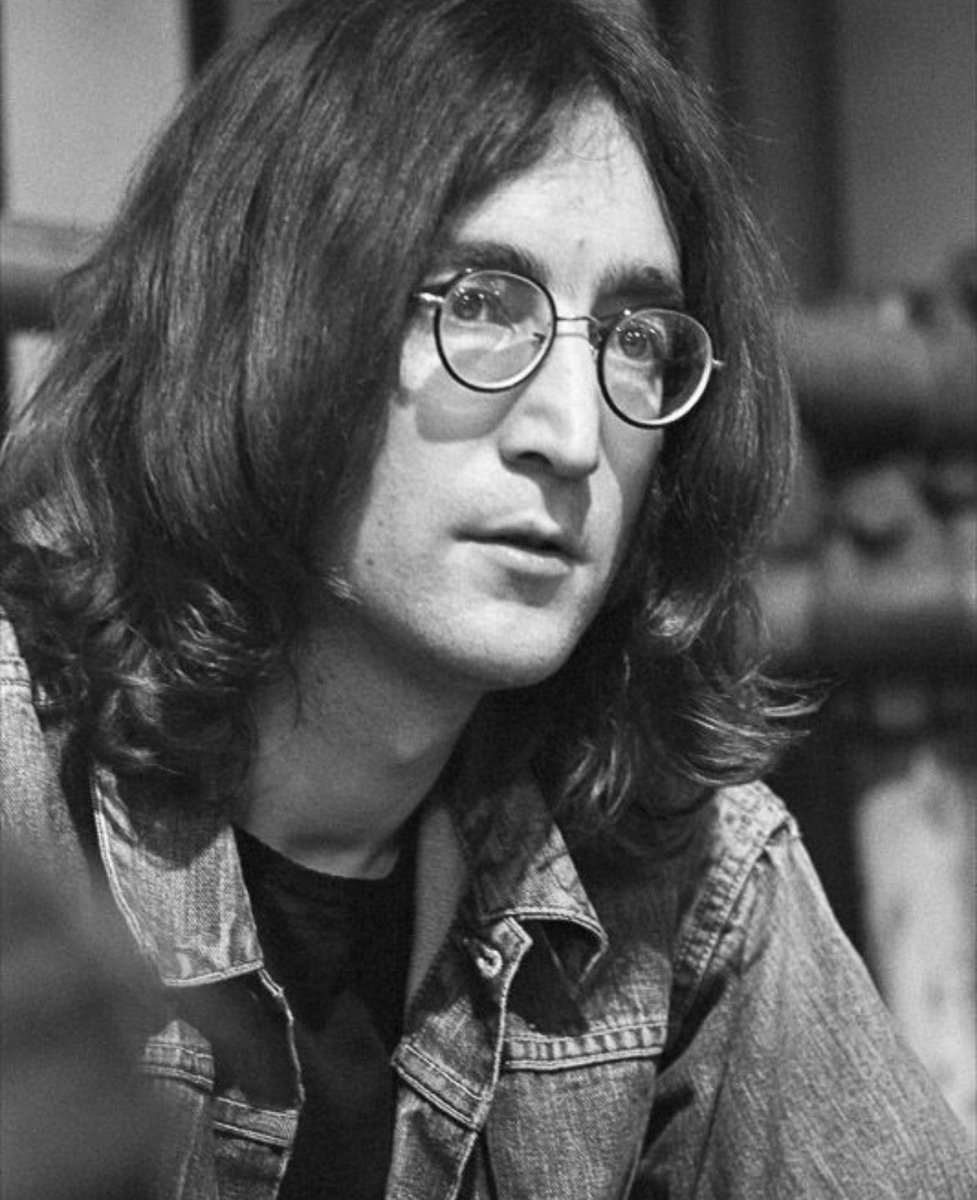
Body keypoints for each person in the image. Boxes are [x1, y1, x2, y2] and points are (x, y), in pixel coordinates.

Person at [0, 0, 973, 1196]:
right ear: (266, 317)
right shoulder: (21, 789)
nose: (572, 435)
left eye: (632, 339)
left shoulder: (677, 866)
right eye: (478, 303)